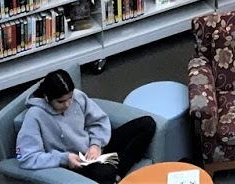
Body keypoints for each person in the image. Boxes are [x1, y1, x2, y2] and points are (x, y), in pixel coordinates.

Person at [15, 69, 155, 184]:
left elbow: (98, 121)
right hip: (76, 163)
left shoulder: (78, 97)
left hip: (94, 150)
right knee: (106, 172)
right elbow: (27, 157)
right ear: (47, 97)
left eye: (70, 99)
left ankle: (118, 176)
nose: (68, 105)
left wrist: (96, 144)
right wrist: (63, 158)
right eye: (61, 101)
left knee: (147, 124)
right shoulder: (35, 116)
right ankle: (116, 174)